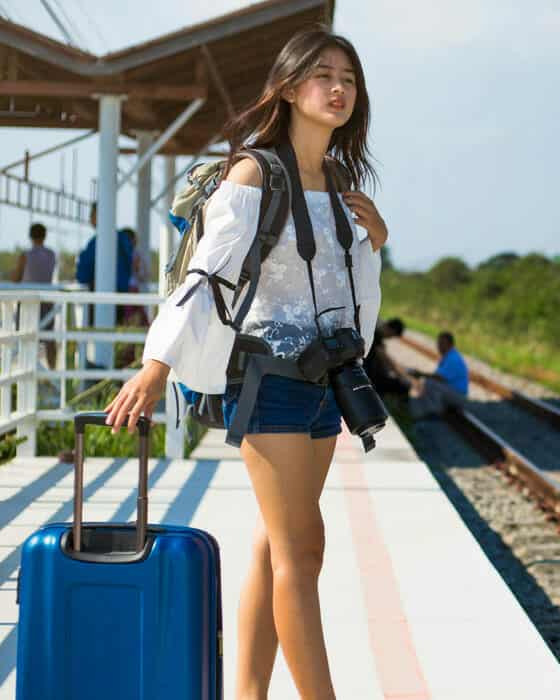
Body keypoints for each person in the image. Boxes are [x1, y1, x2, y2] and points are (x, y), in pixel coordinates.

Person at [103, 26, 387, 700]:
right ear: (288, 87)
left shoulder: (341, 179)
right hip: (268, 383)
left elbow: (348, 291)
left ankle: (249, 693)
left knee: (274, 545)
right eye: (323, 75)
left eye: (348, 78)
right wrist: (156, 364)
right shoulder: (254, 171)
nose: (338, 88)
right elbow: (203, 277)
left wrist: (376, 237)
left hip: (326, 385)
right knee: (303, 552)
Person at [14, 222, 57, 368]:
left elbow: (16, 278)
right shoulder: (51, 254)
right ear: (45, 236)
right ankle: (53, 373)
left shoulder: (25, 255)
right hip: (47, 300)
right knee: (49, 339)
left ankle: (26, 369)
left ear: (30, 236)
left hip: (28, 301)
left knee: (25, 337)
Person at [408, 331, 469, 420]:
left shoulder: (453, 358)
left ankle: (434, 413)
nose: (439, 346)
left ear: (449, 344)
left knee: (430, 384)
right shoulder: (450, 356)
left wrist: (420, 374)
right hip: (454, 392)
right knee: (429, 383)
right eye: (438, 343)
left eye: (441, 344)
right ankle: (432, 411)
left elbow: (440, 377)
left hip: (459, 396)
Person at [364, 317, 410, 399]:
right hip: (368, 374)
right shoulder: (376, 336)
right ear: (391, 330)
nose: (390, 338)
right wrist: (402, 376)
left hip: (368, 370)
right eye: (392, 335)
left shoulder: (375, 333)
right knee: (401, 386)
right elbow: (386, 360)